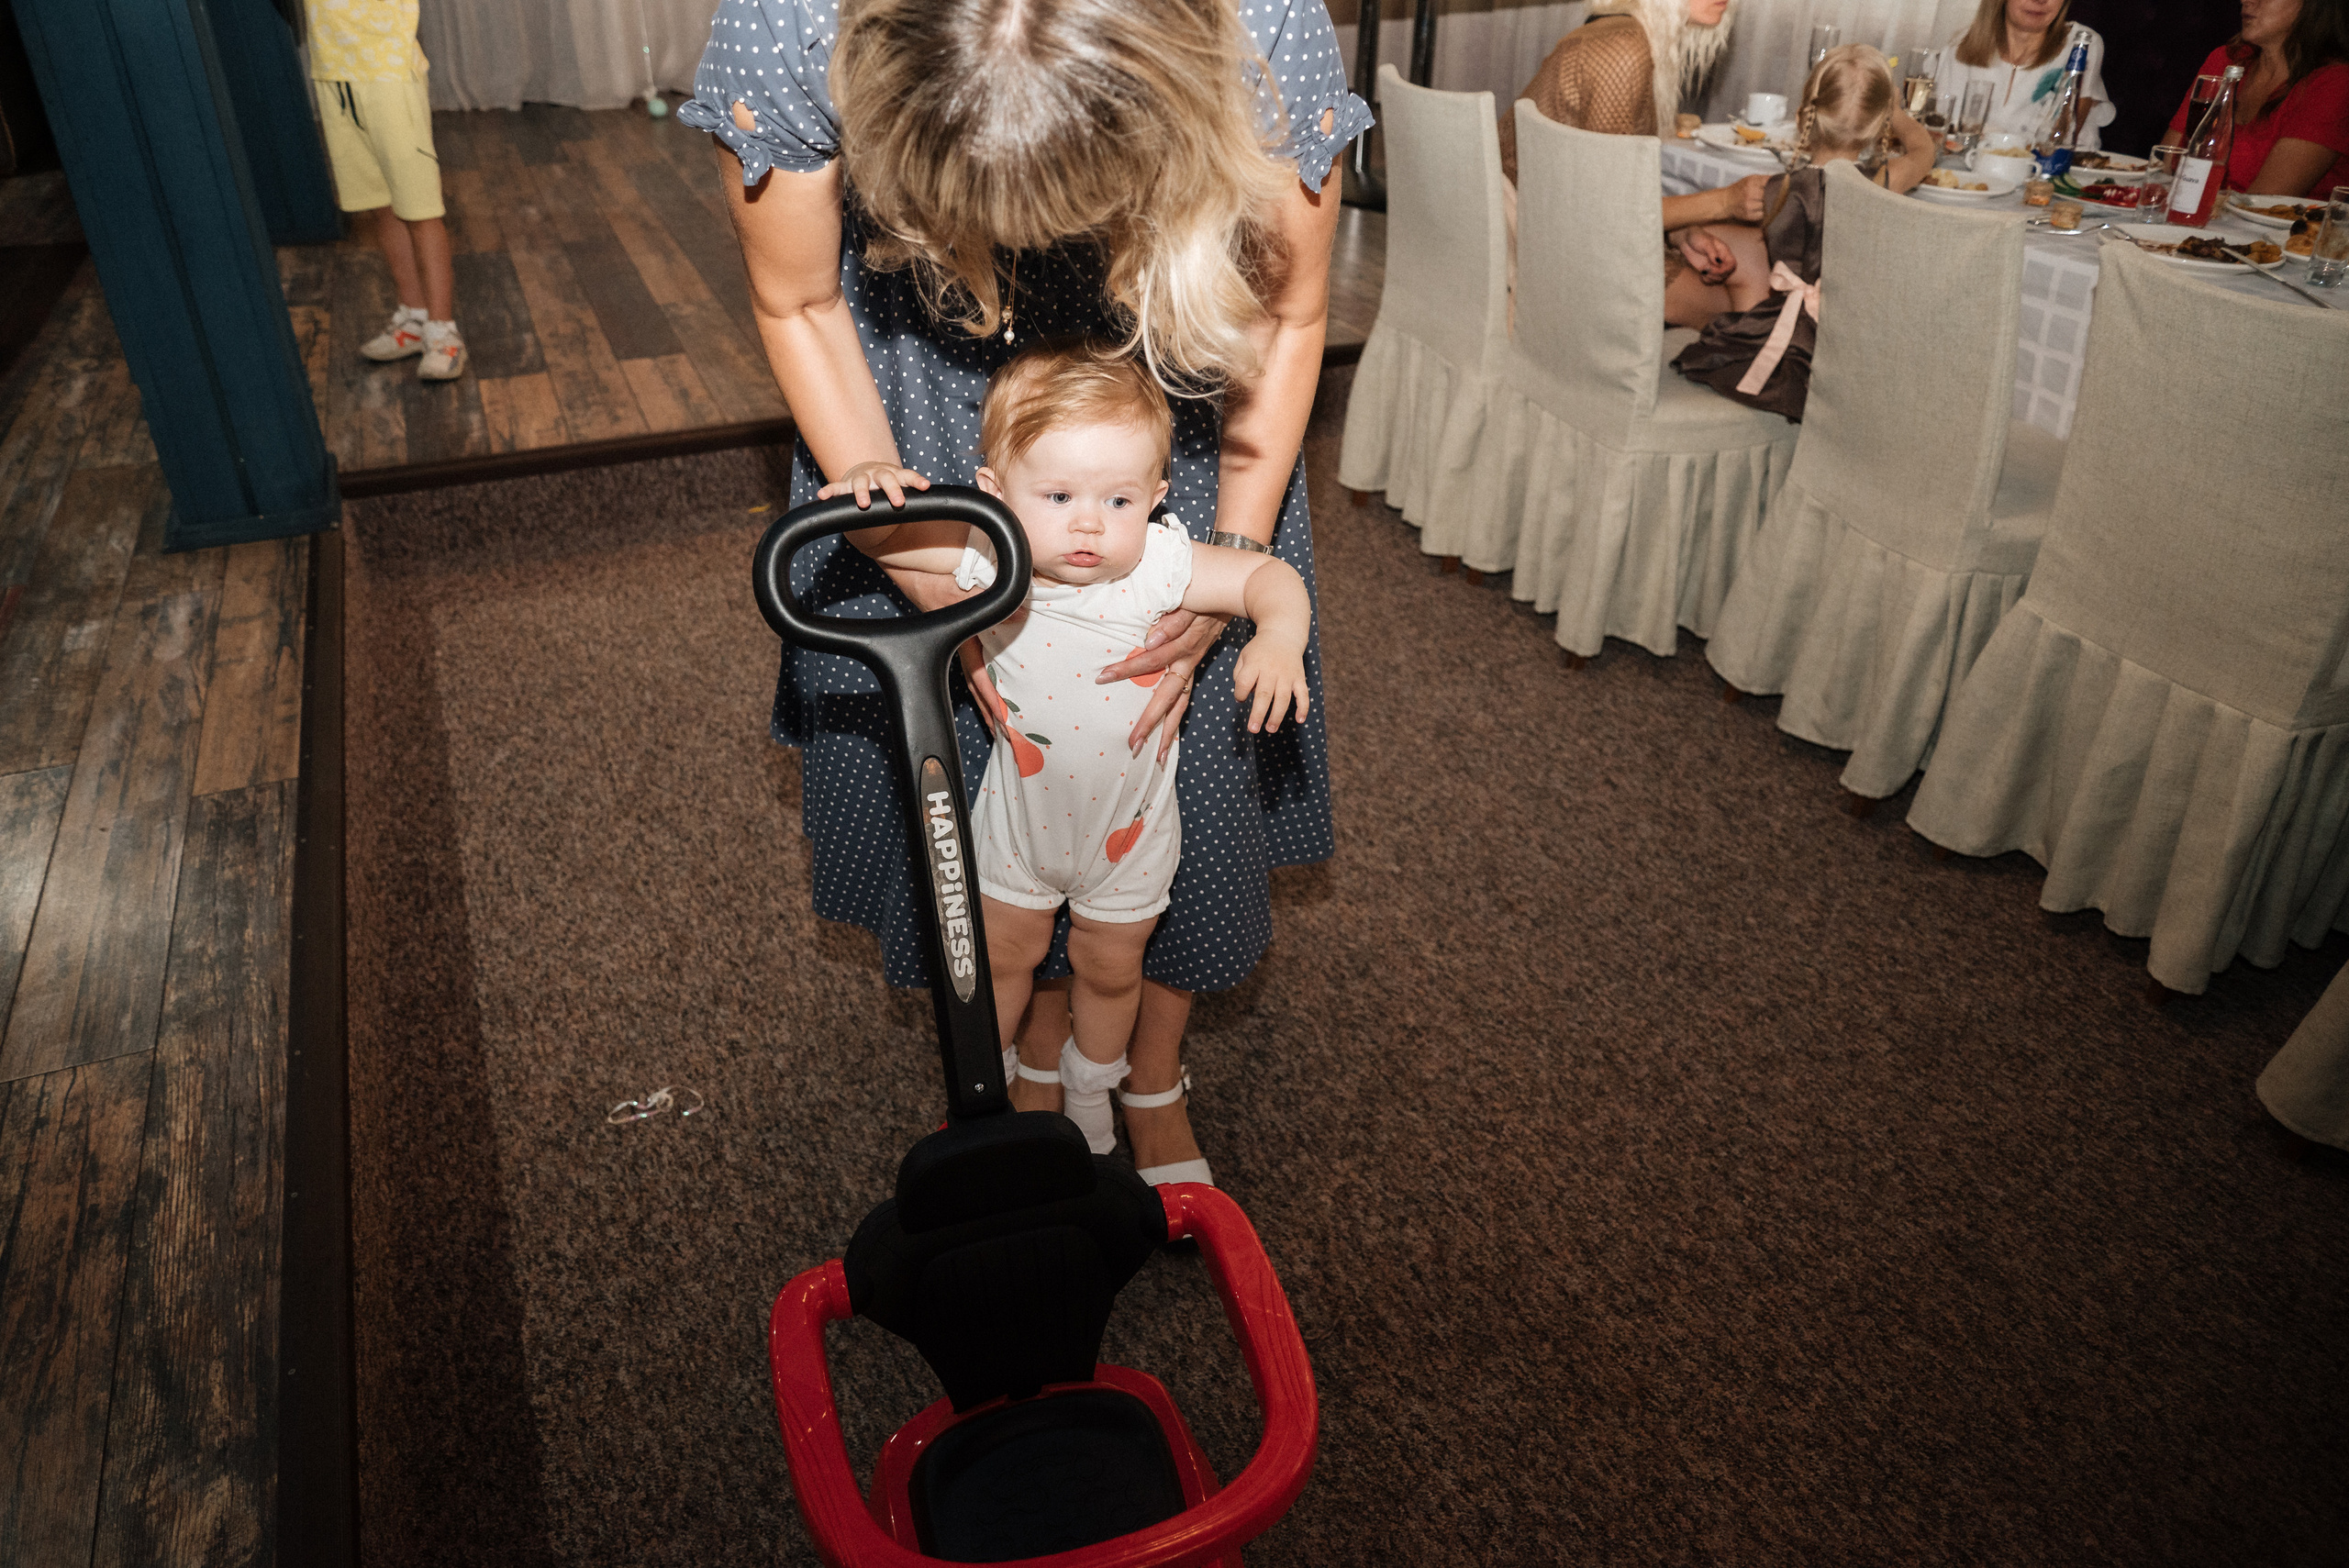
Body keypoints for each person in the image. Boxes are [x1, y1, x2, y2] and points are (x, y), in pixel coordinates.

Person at [678, 0, 1369, 1183]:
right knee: (982, 785)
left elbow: (1291, 311)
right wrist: (924, 563)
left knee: (1172, 759)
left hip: (1163, 398)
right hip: (924, 407)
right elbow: (798, 300)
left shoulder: (1265, 29)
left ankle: (1150, 1070)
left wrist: (1222, 567)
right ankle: (1034, 1052)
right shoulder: (786, 22)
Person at [855, 346, 1313, 1169]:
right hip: (1017, 834)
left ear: (1160, 498)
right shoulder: (991, 558)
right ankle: (984, 1095)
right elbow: (881, 534)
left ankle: (1092, 1081)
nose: (1090, 523)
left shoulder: (1160, 565)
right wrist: (869, 490)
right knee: (1001, 960)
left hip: (1127, 838)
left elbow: (1267, 579)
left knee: (1111, 969)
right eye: (1059, 496)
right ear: (995, 494)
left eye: (1119, 498)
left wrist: (1279, 633)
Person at [1672, 47, 1936, 420]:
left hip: (1774, 323)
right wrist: (1896, 115)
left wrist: (1684, 230)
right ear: (1881, 129)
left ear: (1801, 118)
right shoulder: (1882, 182)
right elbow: (1925, 151)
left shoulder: (1776, 188)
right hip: (1840, 336)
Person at [1497, 0, 1771, 328]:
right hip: (1540, 241)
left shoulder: (1628, 33)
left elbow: (1608, 188)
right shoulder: (1624, 48)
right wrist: (1725, 201)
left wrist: (1682, 233)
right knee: (1751, 314)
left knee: (1753, 250)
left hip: (1566, 220)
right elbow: (1607, 214)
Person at [305, 0, 466, 380]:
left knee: (419, 207)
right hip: (333, 70)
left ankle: (444, 334)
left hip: (388, 70)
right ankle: (414, 318)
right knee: (381, 205)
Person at [2165, 0, 2349, 197]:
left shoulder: (2335, 83)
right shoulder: (2226, 60)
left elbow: (2263, 201)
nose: (2246, 1)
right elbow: (2169, 163)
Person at [1936, 0, 2116, 150]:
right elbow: (1936, 133)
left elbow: (2060, 140)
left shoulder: (2081, 45)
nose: (2040, 1)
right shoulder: (1960, 47)